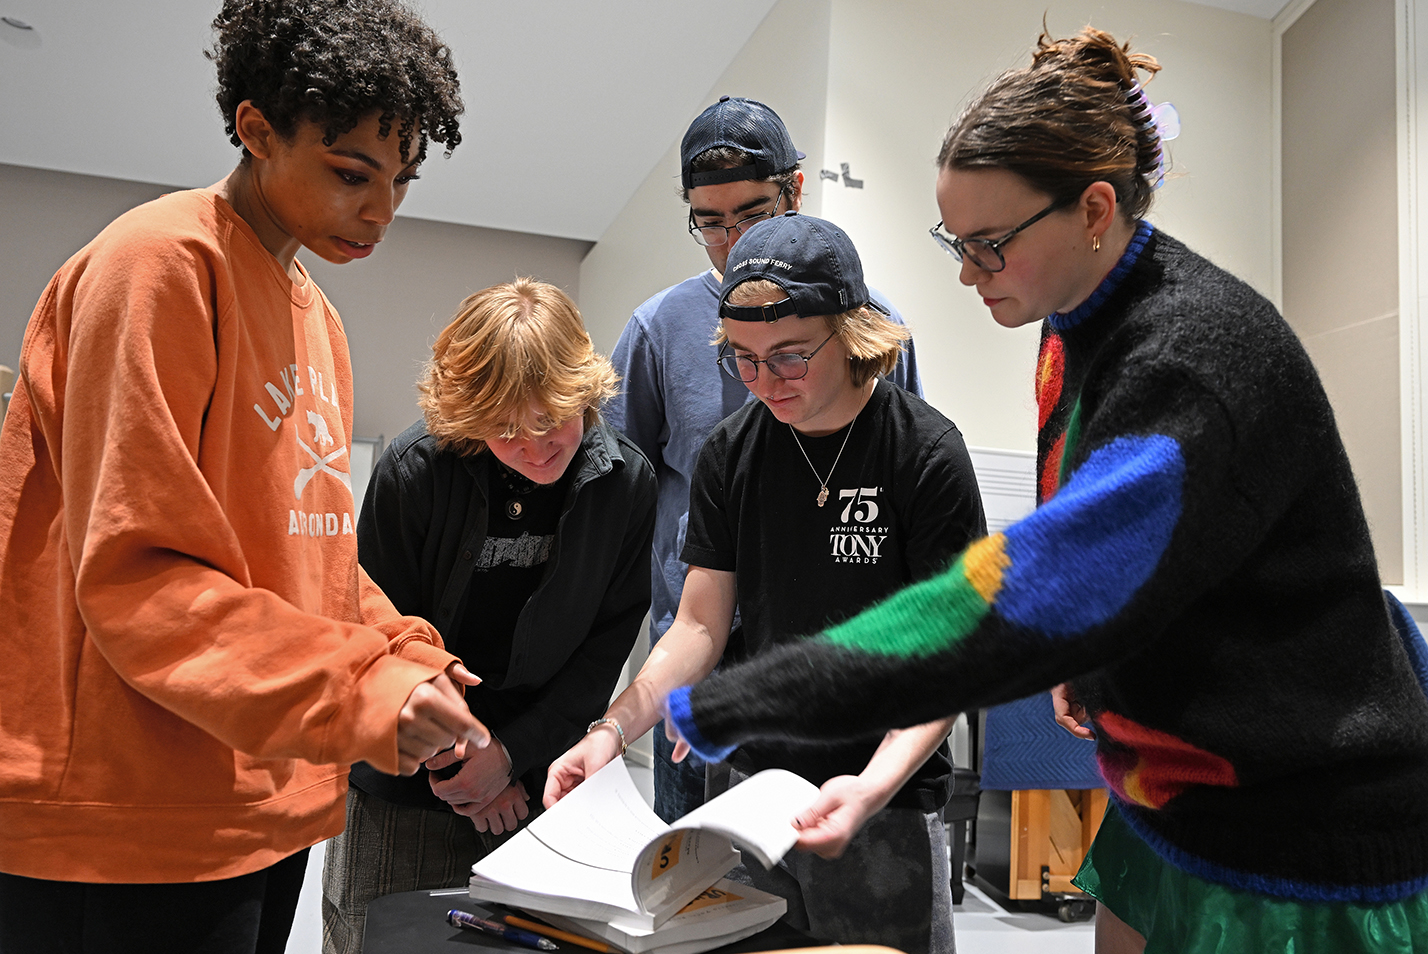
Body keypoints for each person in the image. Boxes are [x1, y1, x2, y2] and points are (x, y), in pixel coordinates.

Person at [663, 27, 1428, 954]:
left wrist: (737, 701)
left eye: (988, 244)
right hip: (1173, 789)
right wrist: (1093, 668)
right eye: (957, 239)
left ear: (1094, 208)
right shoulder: (1070, 323)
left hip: (1301, 820)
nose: (964, 271)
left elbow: (1032, 587)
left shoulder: (1197, 360)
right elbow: (1130, 549)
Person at [0, 2, 489, 951]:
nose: (382, 209)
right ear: (256, 128)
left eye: (401, 179)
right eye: (352, 173)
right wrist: (357, 687)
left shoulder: (318, 318)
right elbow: (138, 575)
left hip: (269, 793)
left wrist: (399, 653)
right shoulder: (158, 266)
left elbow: (310, 562)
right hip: (127, 814)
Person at [549, 212, 984, 953]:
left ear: (851, 332)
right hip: (751, 796)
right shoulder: (731, 454)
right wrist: (613, 730)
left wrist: (870, 788)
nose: (764, 382)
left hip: (886, 803)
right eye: (743, 360)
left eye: (788, 356)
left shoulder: (925, 453)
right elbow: (697, 626)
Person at [606, 95, 924, 822]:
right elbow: (620, 500)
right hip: (702, 664)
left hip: (841, 667)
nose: (728, 240)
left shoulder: (868, 319)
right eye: (708, 221)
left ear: (795, 191)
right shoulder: (658, 329)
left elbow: (910, 480)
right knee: (694, 899)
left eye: (750, 214)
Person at [321, 280, 656, 953]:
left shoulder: (626, 485)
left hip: (540, 785)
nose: (534, 448)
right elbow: (375, 635)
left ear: (583, 394)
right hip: (405, 787)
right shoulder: (415, 472)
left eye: (551, 421)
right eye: (506, 430)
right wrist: (464, 758)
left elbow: (600, 654)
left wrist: (510, 757)